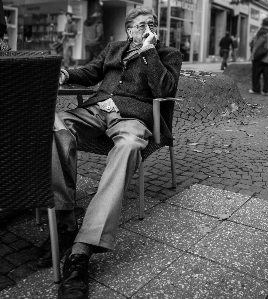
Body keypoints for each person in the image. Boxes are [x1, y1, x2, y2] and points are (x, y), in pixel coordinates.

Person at [37, 7, 182, 299]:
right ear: (128, 30)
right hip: (96, 112)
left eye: (151, 24)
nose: (147, 27)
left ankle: (82, 250)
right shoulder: (114, 48)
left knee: (129, 147)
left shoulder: (167, 54)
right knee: (54, 126)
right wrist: (68, 74)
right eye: (141, 25)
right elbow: (90, 72)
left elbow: (164, 88)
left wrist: (148, 51)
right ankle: (65, 220)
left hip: (133, 118)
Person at [249, 18, 268, 96]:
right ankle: (266, 90)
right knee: (267, 74)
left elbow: (257, 44)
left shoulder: (262, 32)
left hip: (261, 56)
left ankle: (256, 89)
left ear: (263, 24)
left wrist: (252, 55)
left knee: (256, 73)